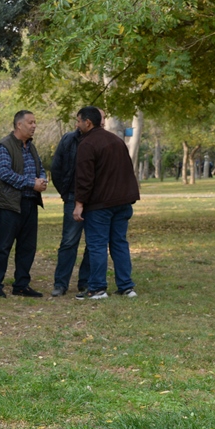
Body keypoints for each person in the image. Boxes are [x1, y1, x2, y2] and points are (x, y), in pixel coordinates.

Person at [72, 106, 141, 299]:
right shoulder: (116, 141)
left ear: (88, 122)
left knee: (97, 245)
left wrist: (79, 204)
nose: (77, 125)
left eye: (78, 121)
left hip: (100, 205)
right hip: (122, 202)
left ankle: (97, 288)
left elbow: (84, 179)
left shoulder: (87, 144)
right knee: (119, 243)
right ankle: (126, 286)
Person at [0, 110, 48, 298]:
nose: (34, 126)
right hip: (9, 204)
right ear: (19, 125)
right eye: (30, 122)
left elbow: (40, 167)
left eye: (35, 122)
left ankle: (21, 285)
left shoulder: (31, 147)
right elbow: (5, 174)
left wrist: (42, 180)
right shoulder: (3, 146)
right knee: (3, 246)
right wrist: (31, 183)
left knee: (27, 247)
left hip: (30, 202)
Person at [49, 112, 93, 297]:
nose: (76, 123)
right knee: (69, 241)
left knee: (93, 243)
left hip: (95, 200)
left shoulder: (101, 140)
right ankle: (61, 283)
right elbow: (56, 168)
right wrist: (66, 194)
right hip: (72, 197)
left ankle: (86, 282)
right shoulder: (69, 140)